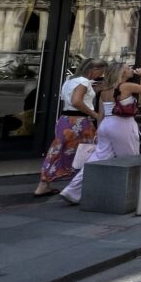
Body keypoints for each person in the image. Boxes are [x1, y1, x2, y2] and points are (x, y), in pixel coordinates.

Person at [59, 63, 141, 206]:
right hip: (122, 125)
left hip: (106, 125)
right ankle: (137, 194)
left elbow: (101, 114)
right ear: (122, 73)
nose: (131, 69)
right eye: (128, 67)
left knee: (97, 159)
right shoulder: (126, 86)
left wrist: (99, 131)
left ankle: (72, 190)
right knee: (131, 159)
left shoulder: (105, 90)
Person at [35, 58, 107, 197]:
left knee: (57, 150)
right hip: (79, 122)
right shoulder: (84, 82)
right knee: (88, 151)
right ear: (94, 70)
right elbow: (76, 101)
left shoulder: (70, 79)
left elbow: (72, 98)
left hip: (65, 119)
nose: (101, 75)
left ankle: (44, 183)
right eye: (101, 72)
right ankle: (80, 185)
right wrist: (95, 114)